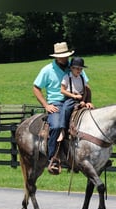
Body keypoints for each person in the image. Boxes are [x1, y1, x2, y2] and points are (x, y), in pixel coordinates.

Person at [32, 42, 89, 175]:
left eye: (66, 56)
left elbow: (86, 86)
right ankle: (53, 158)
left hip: (75, 101)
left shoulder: (75, 67)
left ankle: (90, 156)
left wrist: (88, 101)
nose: (64, 59)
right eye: (61, 56)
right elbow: (36, 88)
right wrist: (46, 105)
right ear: (56, 57)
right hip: (56, 103)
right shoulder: (47, 70)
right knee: (57, 126)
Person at [57, 57, 94, 141]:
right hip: (71, 99)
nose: (79, 71)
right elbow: (62, 90)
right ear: (71, 68)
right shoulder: (67, 77)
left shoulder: (81, 78)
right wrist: (73, 96)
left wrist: (84, 101)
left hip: (80, 99)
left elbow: (85, 90)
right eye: (77, 68)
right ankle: (62, 131)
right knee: (65, 109)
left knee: (91, 110)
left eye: (81, 69)